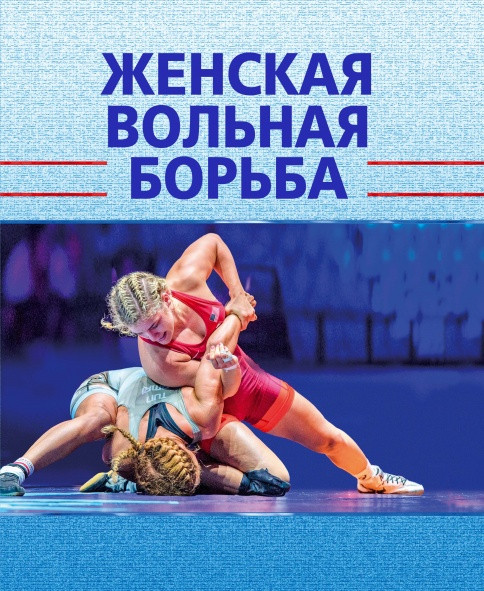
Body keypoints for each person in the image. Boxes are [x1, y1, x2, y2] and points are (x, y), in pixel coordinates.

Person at [101, 233, 424, 495]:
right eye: (141, 333)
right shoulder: (160, 361)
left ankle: (371, 477)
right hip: (210, 414)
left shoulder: (185, 279)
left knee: (328, 438)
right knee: (271, 480)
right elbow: (222, 388)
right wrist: (236, 313)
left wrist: (236, 292)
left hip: (244, 379)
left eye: (155, 324)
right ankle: (168, 474)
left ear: (166, 297)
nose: (153, 336)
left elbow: (214, 243)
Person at [0, 343, 289, 497]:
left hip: (123, 389)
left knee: (98, 419)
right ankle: (17, 469)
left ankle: (16, 470)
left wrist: (228, 366)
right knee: (98, 420)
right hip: (120, 393)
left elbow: (228, 385)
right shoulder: (125, 454)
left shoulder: (202, 416)